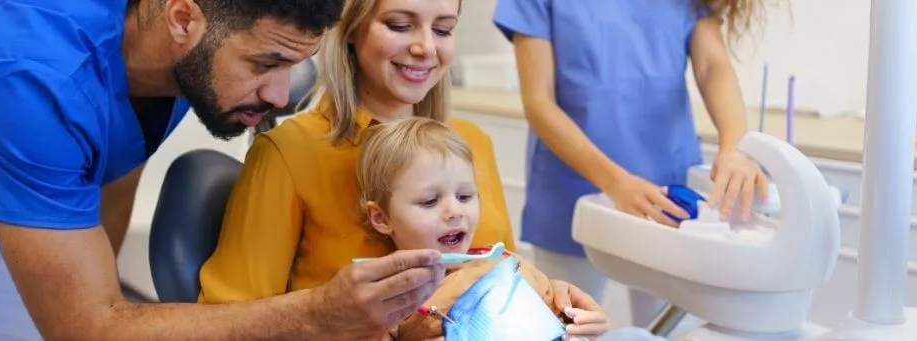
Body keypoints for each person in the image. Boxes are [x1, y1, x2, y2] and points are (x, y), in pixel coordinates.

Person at [0, 0, 451, 339]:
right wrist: (317, 316)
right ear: (183, 18)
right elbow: (84, 328)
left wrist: (95, 287)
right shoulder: (36, 75)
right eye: (265, 63)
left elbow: (111, 158)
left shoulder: (177, 51)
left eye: (294, 65)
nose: (281, 95)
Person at [198, 0, 520, 303]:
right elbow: (228, 319)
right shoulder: (287, 155)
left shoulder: (473, 142)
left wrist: (552, 296)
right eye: (399, 25)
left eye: (442, 30)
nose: (426, 48)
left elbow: (512, 280)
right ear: (351, 28)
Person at [492, 0, 770, 327]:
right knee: (563, 324)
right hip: (573, 187)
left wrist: (735, 144)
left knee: (670, 329)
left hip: (668, 192)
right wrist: (615, 183)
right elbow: (539, 102)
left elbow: (712, 65)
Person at [355, 117, 611, 341]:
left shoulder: (505, 263)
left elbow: (563, 321)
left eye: (465, 196)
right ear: (381, 217)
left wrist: (583, 324)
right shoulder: (386, 299)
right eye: (430, 201)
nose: (455, 211)